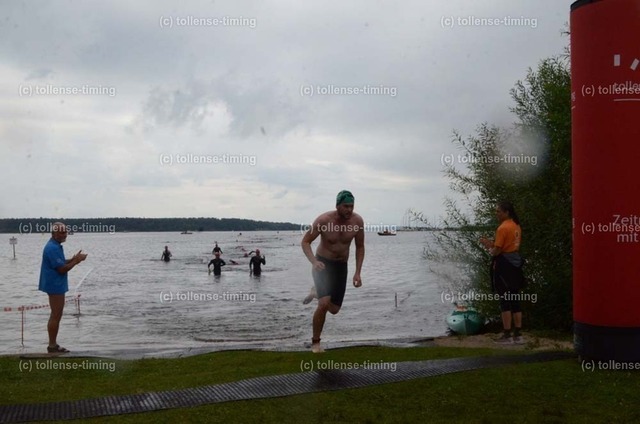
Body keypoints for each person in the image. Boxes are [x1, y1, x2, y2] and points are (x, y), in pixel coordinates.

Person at [301, 190, 365, 353]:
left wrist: (357, 272)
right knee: (323, 304)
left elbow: (360, 247)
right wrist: (314, 262)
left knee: (334, 309)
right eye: (345, 206)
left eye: (351, 206)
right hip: (322, 264)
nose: (349, 210)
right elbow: (306, 242)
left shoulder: (357, 221)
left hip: (341, 266)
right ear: (337, 206)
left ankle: (315, 293)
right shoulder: (324, 220)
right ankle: (316, 343)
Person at [480, 201, 525, 345]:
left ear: (506, 212)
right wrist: (492, 244)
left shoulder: (502, 228)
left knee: (504, 300)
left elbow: (497, 251)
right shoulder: (516, 225)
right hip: (515, 263)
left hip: (504, 266)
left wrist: (488, 248)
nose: (496, 214)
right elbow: (506, 246)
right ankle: (518, 335)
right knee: (515, 299)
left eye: (498, 211)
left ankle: (507, 335)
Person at [38, 222, 88, 353]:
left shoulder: (55, 245)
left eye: (65, 232)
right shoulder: (52, 248)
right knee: (56, 315)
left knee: (56, 315)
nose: (64, 234)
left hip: (55, 284)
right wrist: (76, 261)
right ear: (54, 233)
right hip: (54, 285)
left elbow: (60, 262)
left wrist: (72, 259)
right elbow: (61, 269)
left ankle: (53, 345)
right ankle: (52, 346)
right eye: (61, 232)